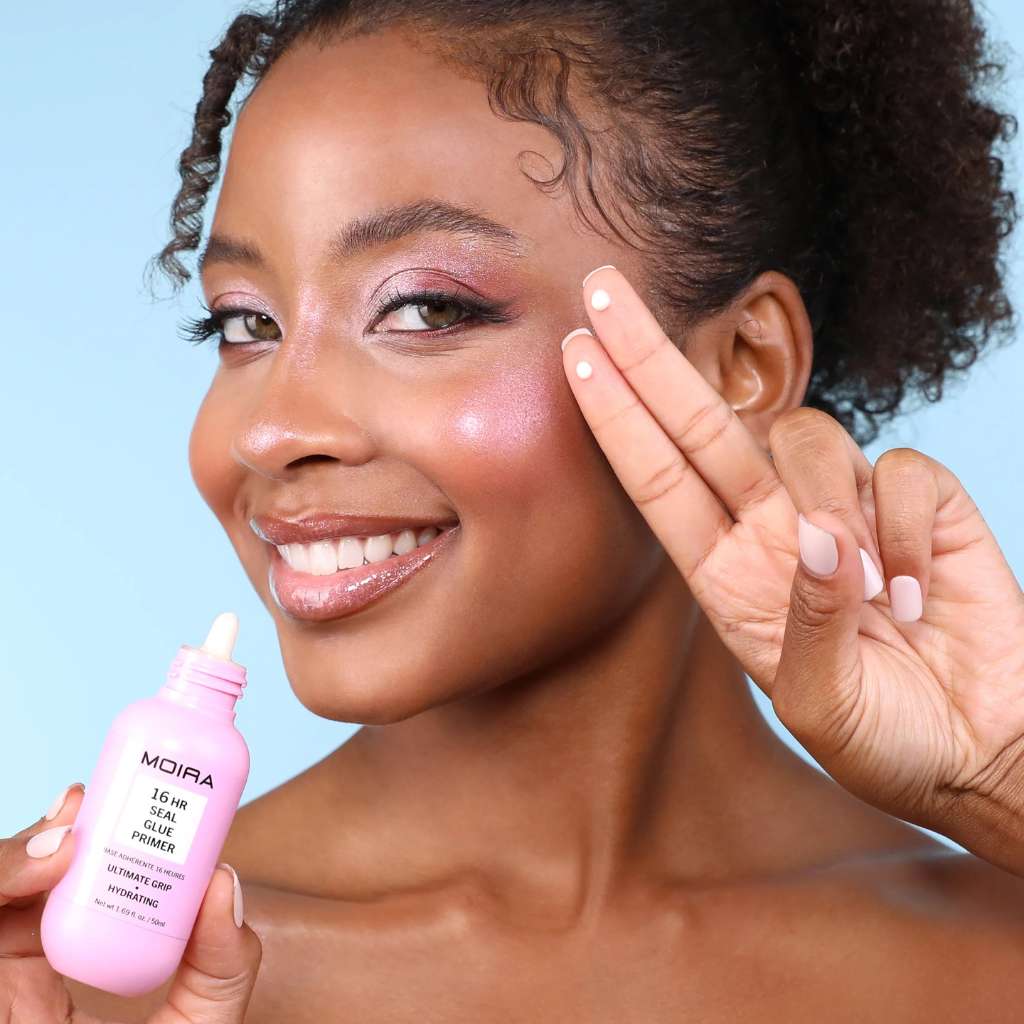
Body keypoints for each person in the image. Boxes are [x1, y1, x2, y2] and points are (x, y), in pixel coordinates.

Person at [8, 0, 1024, 1020]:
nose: (270, 431)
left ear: (741, 365)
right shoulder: (80, 980)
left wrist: (1001, 774)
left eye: (425, 308)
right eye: (245, 324)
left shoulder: (992, 952)